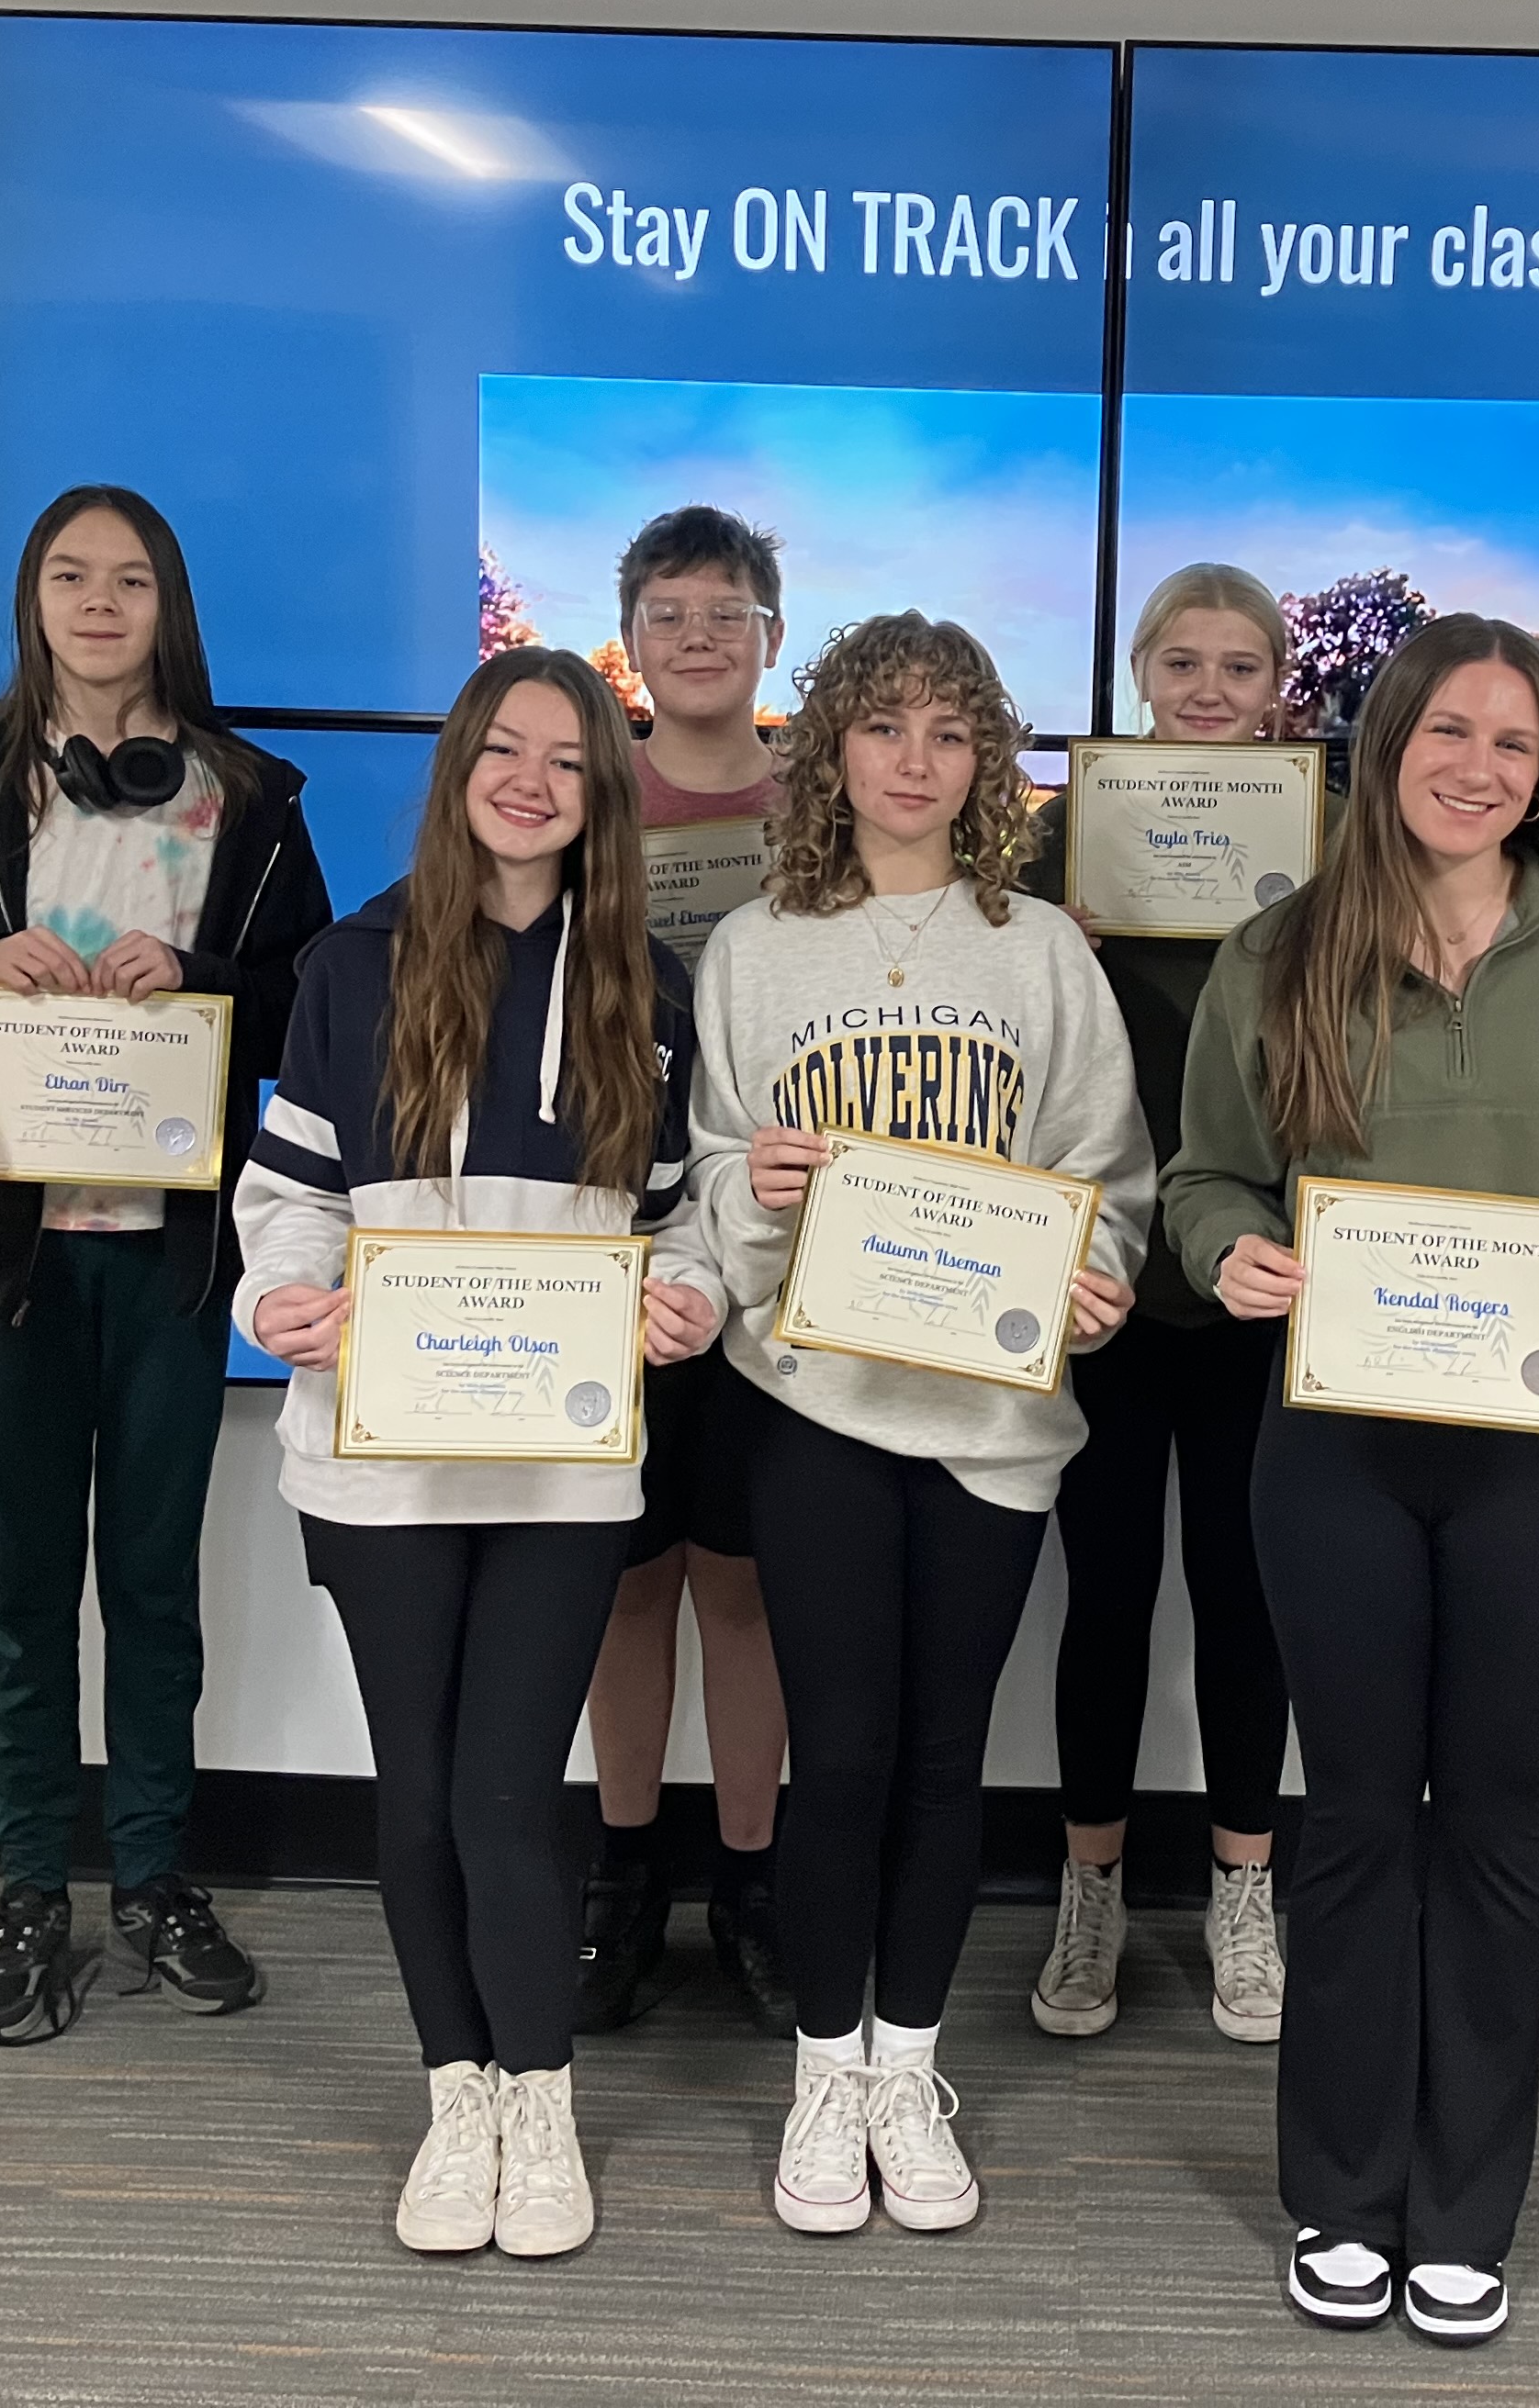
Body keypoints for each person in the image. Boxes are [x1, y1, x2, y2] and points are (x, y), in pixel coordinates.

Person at [1166, 615, 1539, 2347]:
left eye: (1513, 741)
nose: (1478, 768)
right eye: (1446, 734)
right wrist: (1231, 1258)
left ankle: (1467, 2201)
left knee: (1491, 1827)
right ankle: (1344, 2188)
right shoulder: (1275, 951)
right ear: (1385, 747)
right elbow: (1205, 1180)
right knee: (1352, 1815)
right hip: (1332, 1450)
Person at [229, 648, 717, 2260]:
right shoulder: (349, 962)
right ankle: (458, 2093)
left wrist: (694, 1296)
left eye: (566, 763)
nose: (529, 781)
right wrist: (282, 1287)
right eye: (502, 750)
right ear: (457, 768)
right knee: (420, 1787)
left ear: (602, 798)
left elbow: (682, 1220)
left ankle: (542, 2096)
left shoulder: (651, 984)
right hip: (379, 1458)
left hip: (563, 1471)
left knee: (509, 1786)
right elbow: (291, 1185)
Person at [680, 612, 1151, 2239]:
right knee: (847, 1751)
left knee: (947, 1756)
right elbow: (708, 1188)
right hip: (813, 1404)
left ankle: (908, 2062)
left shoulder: (1041, 952)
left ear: (987, 762)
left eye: (951, 732)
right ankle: (826, 2067)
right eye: (884, 727)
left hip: (991, 1423)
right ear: (832, 751)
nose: (914, 759)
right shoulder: (754, 950)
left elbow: (1109, 1178)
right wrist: (762, 1187)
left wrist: (1094, 1278)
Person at [0, 485, 332, 2044]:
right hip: (8, 1263)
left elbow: (310, 1017)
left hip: (170, 1262)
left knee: (150, 1585)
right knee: (22, 1590)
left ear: (168, 607)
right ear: (31, 603)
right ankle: (27, 1890)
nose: (97, 603)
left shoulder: (254, 801)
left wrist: (200, 978)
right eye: (69, 577)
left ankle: (149, 1878)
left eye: (128, 580)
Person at [1018, 563, 1300, 2045]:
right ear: (1138, 675)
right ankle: (1093, 1891)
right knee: (1109, 1595)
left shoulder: (1329, 858)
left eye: (1237, 668)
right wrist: (1040, 927)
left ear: (1275, 690)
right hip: (1111, 1287)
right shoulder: (1058, 849)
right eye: (1180, 663)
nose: (1206, 691)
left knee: (1252, 1603)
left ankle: (1246, 1893)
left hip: (1268, 1287)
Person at [578, 506, 796, 2037]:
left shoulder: (820, 813)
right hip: (610, 1240)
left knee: (746, 1584)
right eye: (669, 612)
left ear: (770, 635)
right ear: (632, 639)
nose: (700, 635)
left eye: (728, 611)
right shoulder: (585, 799)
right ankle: (623, 1872)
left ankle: (753, 1877)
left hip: (782, 1251)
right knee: (623, 1582)